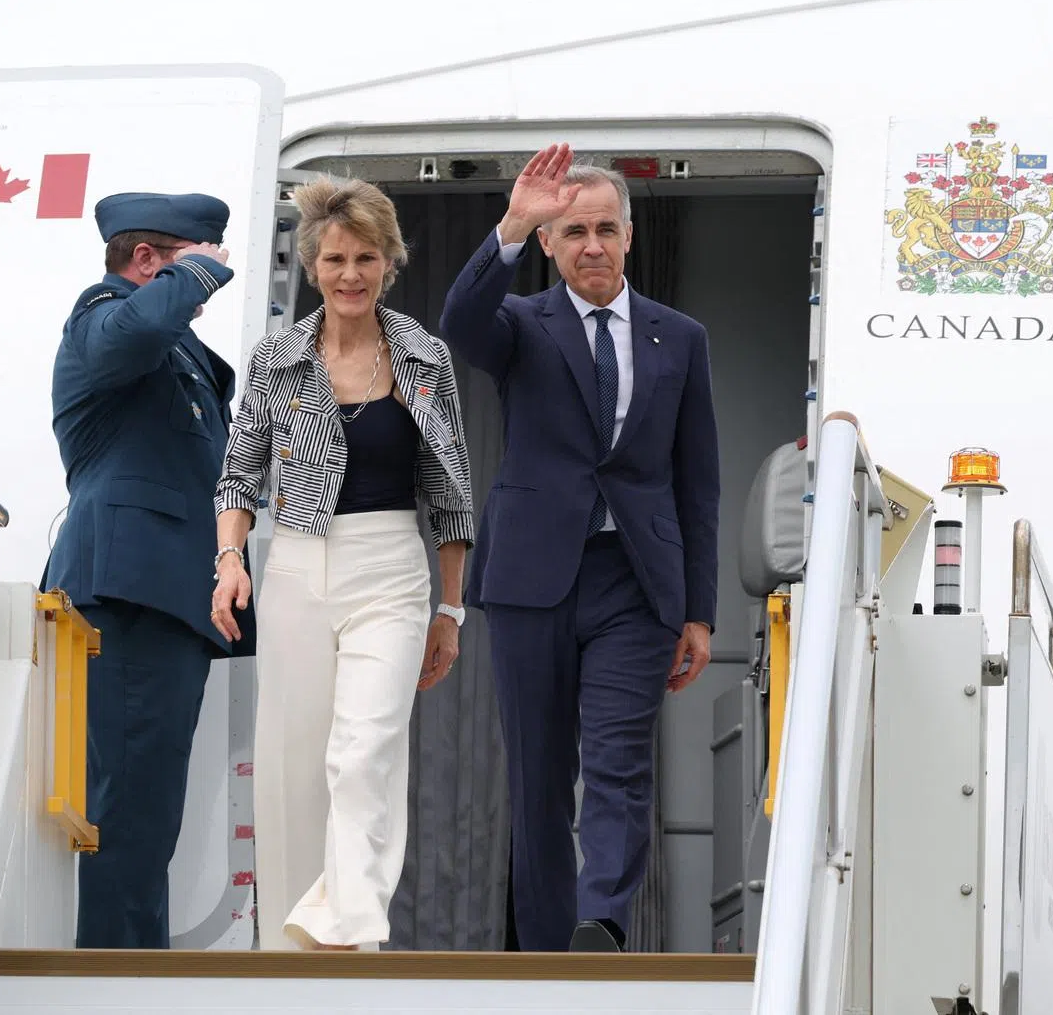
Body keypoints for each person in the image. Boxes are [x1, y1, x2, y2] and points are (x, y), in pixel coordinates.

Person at [440, 144, 720, 953]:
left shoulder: (681, 338)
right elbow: (459, 323)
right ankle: (542, 947)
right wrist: (511, 227)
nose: (591, 245)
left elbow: (696, 482)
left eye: (604, 229)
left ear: (629, 238)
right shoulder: (522, 326)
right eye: (572, 233)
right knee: (537, 775)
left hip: (635, 582)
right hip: (532, 579)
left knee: (620, 760)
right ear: (553, 247)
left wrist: (697, 610)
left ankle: (600, 922)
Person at [211, 174, 474, 951]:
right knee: (293, 766)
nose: (350, 274)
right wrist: (231, 558)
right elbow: (239, 472)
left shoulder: (424, 357)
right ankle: (288, 953)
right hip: (294, 562)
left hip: (391, 568)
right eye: (334, 259)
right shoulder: (276, 358)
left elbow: (452, 495)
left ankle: (351, 931)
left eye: (365, 258)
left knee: (364, 753)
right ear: (313, 264)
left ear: (389, 263)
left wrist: (451, 612)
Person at [42, 191, 257, 949]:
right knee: (130, 809)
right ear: (147, 262)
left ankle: (131, 974)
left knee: (148, 811)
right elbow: (130, 333)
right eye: (200, 264)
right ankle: (116, 983)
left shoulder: (177, 358)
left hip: (166, 597)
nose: (208, 292)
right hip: (127, 593)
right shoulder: (102, 316)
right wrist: (193, 277)